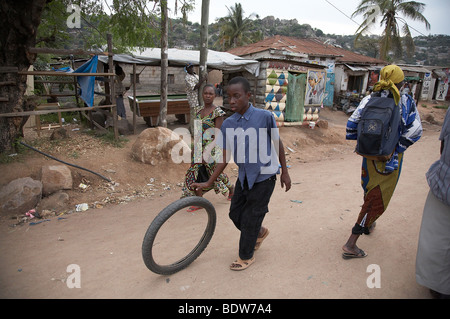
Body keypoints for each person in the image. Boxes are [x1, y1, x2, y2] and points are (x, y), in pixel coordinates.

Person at [192, 76, 291, 271]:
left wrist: (285, 172)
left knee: (251, 217)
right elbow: (224, 157)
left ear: (248, 95)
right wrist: (208, 182)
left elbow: (277, 143)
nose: (232, 101)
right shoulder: (229, 124)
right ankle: (259, 232)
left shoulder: (264, 117)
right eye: (229, 97)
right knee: (235, 214)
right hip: (245, 176)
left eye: (237, 96)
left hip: (265, 176)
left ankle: (245, 256)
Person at [342, 65, 423, 259]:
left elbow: (351, 126)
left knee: (369, 190)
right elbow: (415, 130)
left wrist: (368, 145)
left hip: (369, 158)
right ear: (402, 83)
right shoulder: (405, 101)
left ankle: (368, 224)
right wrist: (395, 149)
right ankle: (351, 243)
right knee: (377, 199)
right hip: (389, 160)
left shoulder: (369, 98)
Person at [181, 84, 234, 212]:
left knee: (214, 172)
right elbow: (198, 131)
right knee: (194, 170)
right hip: (199, 147)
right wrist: (195, 147)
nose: (208, 96)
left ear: (215, 96)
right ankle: (199, 200)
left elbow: (217, 134)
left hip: (213, 148)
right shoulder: (198, 111)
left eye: (211, 94)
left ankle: (231, 188)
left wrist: (208, 150)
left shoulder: (218, 112)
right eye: (206, 93)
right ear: (202, 95)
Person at [415, 108, 450, 299]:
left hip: (445, 184)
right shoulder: (401, 99)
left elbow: (443, 146)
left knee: (437, 241)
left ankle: (437, 286)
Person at [185, 63, 207, 132]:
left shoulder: (196, 76)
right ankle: (193, 131)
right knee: (194, 117)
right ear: (187, 69)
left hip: (199, 99)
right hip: (193, 100)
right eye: (190, 68)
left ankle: (193, 130)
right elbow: (194, 87)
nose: (191, 69)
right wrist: (202, 80)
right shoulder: (187, 78)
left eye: (192, 67)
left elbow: (201, 84)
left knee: (198, 116)